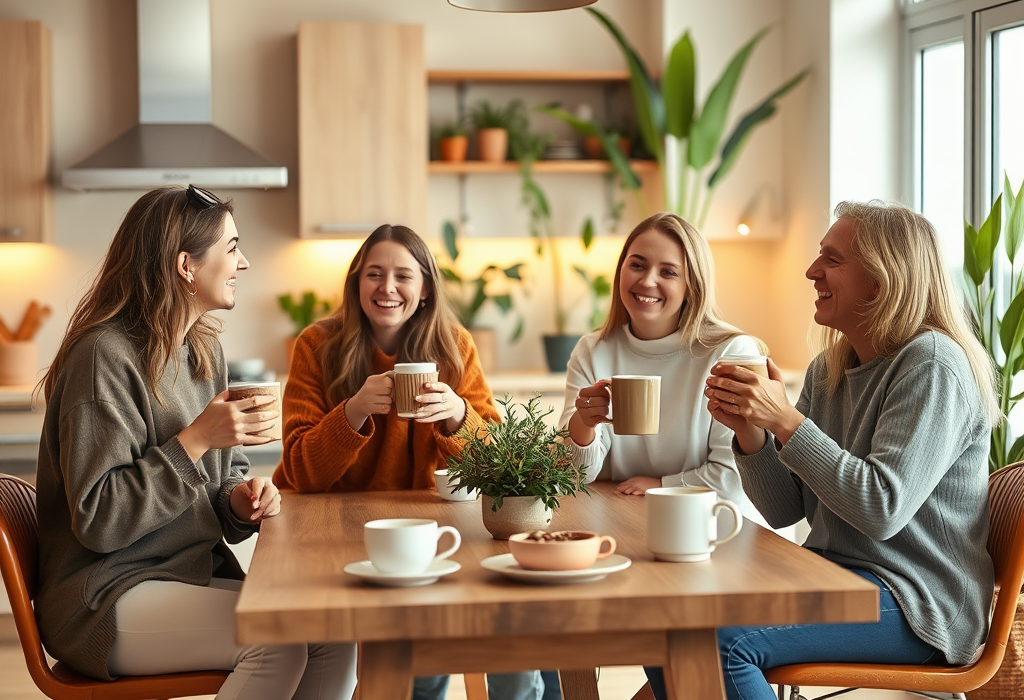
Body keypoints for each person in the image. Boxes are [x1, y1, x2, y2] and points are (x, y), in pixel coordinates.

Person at [645, 201, 998, 700]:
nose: (812, 271)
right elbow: (786, 507)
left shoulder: (932, 364)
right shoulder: (828, 369)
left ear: (881, 281)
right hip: (833, 578)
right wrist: (751, 432)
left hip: (916, 600)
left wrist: (785, 420)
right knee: (664, 623)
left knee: (719, 641)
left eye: (831, 260)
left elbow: (880, 509)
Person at [34, 186, 357, 700]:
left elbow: (219, 481)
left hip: (183, 574)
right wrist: (195, 440)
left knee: (334, 632)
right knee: (277, 641)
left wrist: (239, 499)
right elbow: (99, 521)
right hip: (104, 594)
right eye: (231, 248)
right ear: (186, 265)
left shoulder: (201, 350)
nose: (244, 262)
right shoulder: (104, 359)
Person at [274, 223, 551, 700]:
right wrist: (354, 410)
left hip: (435, 530)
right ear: (356, 281)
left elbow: (501, 463)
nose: (387, 288)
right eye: (374, 274)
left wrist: (459, 417)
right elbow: (299, 472)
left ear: (424, 288)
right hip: (341, 533)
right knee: (404, 658)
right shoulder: (316, 346)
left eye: (403, 276)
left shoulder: (454, 345)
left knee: (507, 640)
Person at [558, 212, 764, 516]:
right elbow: (570, 477)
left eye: (668, 272)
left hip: (712, 526)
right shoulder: (593, 351)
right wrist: (583, 423)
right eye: (637, 265)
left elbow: (735, 481)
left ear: (691, 285)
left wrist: (663, 484)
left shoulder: (729, 352)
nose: (647, 280)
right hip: (624, 517)